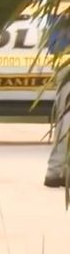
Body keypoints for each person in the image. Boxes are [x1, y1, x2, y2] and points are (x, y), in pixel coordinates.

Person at [44, 15, 70, 187]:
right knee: (67, 118)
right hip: (66, 59)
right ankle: (57, 170)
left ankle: (58, 170)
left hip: (63, 60)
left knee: (65, 118)